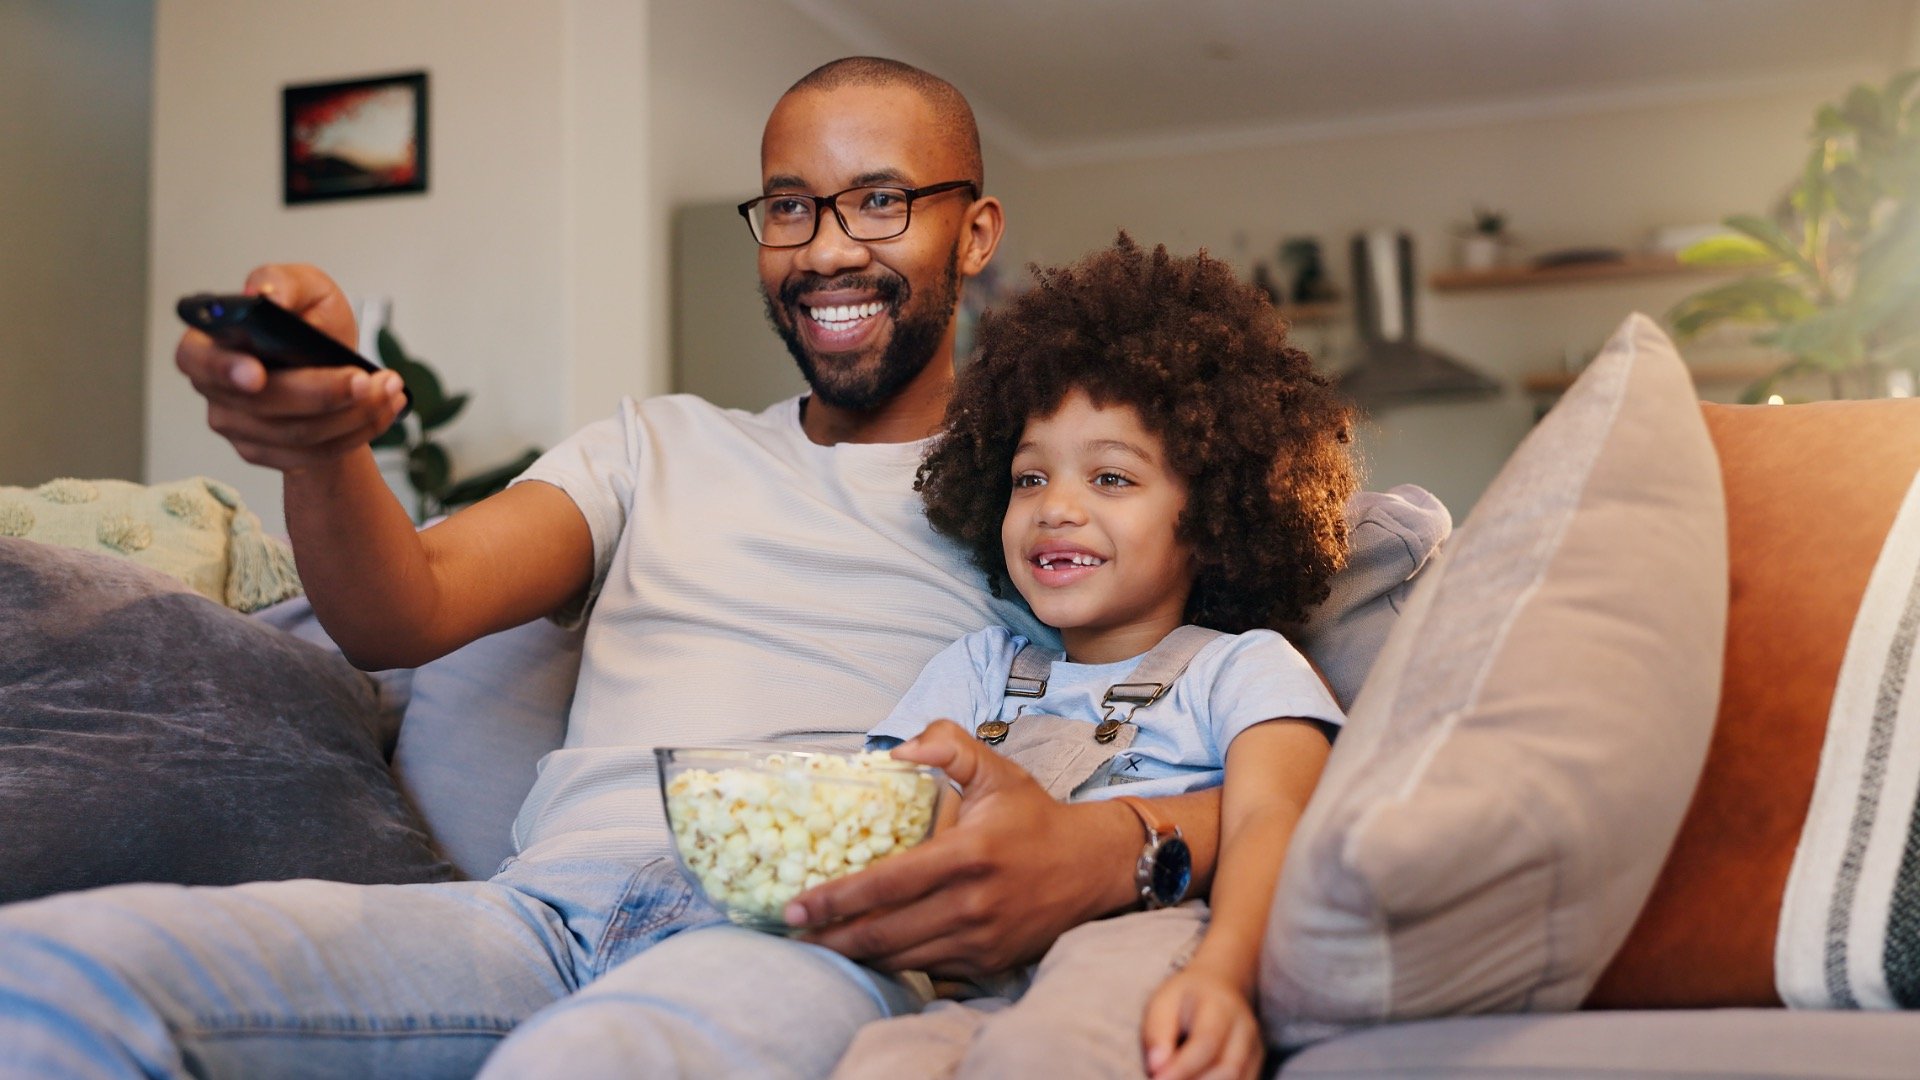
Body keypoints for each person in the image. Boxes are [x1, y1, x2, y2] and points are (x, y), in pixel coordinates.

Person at [0, 58, 1246, 1080]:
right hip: (532, 914)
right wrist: (324, 451)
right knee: (53, 973)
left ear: (974, 232)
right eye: (791, 207)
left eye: (879, 201)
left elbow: (1257, 728)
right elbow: (402, 610)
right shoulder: (655, 447)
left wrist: (1119, 849)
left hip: (800, 936)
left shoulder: (1055, 501)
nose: (825, 249)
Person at [833, 235, 1351, 1080]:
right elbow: (882, 813)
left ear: (1213, 515)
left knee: (1047, 1055)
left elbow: (1275, 822)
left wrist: (1227, 975)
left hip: (1139, 943)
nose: (1056, 508)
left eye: (1111, 479)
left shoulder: (1245, 668)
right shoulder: (976, 668)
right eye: (1030, 479)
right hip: (963, 976)